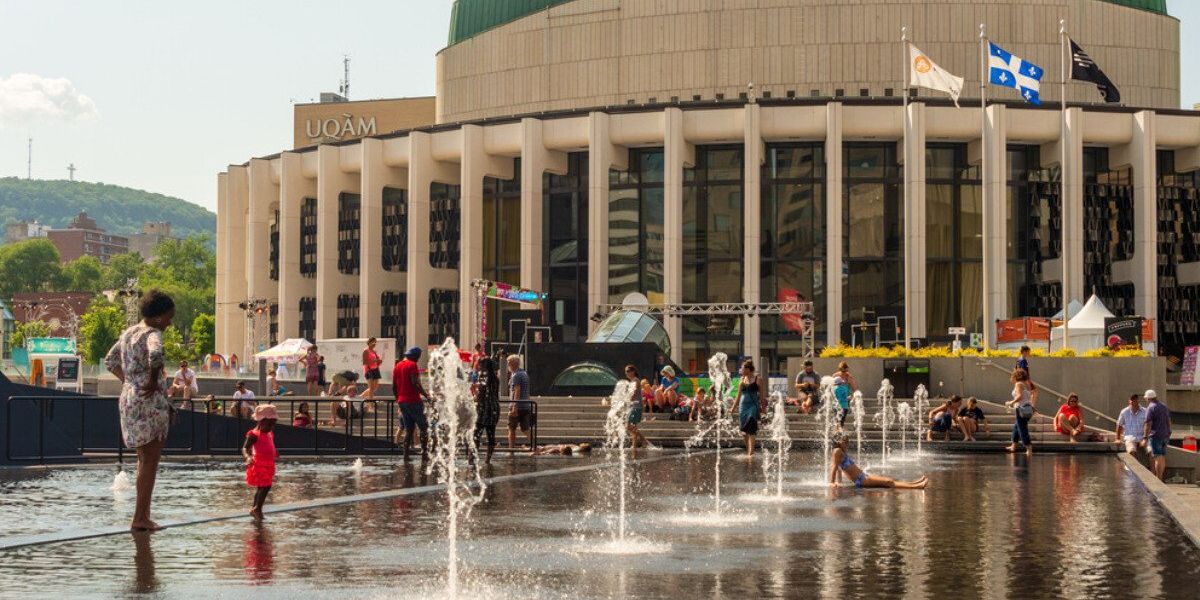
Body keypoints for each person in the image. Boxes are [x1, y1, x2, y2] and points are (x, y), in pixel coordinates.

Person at [103, 289, 177, 531]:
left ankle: (142, 515)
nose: (170, 321)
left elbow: (110, 361)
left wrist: (129, 381)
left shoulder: (128, 333)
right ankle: (140, 518)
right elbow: (156, 356)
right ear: (157, 316)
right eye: (168, 316)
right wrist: (153, 381)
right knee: (150, 461)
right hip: (149, 401)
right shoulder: (152, 333)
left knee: (142, 460)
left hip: (130, 399)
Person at [830, 432, 927, 489]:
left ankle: (914, 483)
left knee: (890, 479)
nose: (847, 444)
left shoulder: (840, 451)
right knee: (888, 482)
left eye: (848, 442)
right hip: (861, 480)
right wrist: (832, 483)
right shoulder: (837, 451)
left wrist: (840, 482)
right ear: (838, 442)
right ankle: (917, 486)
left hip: (863, 476)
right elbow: (834, 467)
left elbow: (839, 468)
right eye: (845, 442)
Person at [393, 347, 431, 461]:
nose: (418, 360)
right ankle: (425, 454)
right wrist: (426, 395)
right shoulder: (412, 365)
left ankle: (406, 455)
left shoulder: (398, 365)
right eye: (418, 357)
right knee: (424, 427)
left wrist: (398, 399)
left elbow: (394, 387)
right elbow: (415, 383)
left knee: (409, 429)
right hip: (413, 400)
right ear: (415, 356)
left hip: (402, 401)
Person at [242, 404, 279, 520]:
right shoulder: (254, 434)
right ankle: (257, 508)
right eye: (270, 424)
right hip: (259, 463)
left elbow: (270, 445)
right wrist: (248, 457)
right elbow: (244, 448)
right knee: (266, 486)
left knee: (261, 487)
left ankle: (255, 508)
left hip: (268, 463)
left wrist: (274, 452)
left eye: (273, 424)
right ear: (262, 421)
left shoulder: (269, 433)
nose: (271, 427)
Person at [731, 359, 762, 456]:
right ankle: (748, 450)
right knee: (744, 431)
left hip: (753, 405)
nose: (741, 370)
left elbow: (762, 395)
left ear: (748, 369)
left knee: (751, 428)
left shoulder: (758, 379)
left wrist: (762, 407)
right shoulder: (742, 380)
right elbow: (738, 396)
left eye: (742, 368)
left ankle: (751, 452)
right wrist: (733, 408)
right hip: (743, 406)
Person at [473, 354, 501, 463]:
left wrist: (475, 396)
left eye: (480, 365)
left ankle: (473, 459)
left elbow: (480, 394)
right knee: (491, 434)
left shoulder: (483, 377)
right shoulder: (495, 378)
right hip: (494, 408)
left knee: (477, 434)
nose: (479, 367)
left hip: (483, 408)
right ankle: (487, 460)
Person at [1004, 367, 1039, 455]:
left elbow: (1019, 396)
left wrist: (1010, 402)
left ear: (1015, 376)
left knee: (1022, 428)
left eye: (1012, 376)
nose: (1011, 378)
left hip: (1021, 409)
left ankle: (1029, 448)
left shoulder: (1018, 384)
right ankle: (1013, 445)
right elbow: (1031, 394)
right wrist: (1032, 406)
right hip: (1027, 408)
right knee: (1017, 427)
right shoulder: (1027, 383)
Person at [506, 355, 535, 451]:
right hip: (525, 405)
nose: (507, 365)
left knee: (511, 428)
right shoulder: (524, 373)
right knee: (525, 428)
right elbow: (526, 391)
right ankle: (534, 445)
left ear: (514, 364)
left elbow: (517, 390)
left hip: (517, 405)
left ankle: (511, 449)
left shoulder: (516, 375)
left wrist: (514, 407)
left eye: (508, 363)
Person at [622, 365, 650, 457]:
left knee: (629, 426)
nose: (626, 373)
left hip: (636, 406)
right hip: (633, 406)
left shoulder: (636, 381)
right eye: (626, 371)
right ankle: (636, 444)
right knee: (632, 426)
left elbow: (633, 394)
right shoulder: (632, 381)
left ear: (633, 371)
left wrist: (627, 401)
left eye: (628, 371)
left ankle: (641, 442)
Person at [1143, 389, 1171, 480]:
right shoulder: (1164, 406)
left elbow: (1148, 424)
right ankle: (1161, 477)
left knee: (1157, 457)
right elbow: (1169, 420)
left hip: (1156, 436)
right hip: (1165, 435)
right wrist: (1169, 432)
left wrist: (1145, 437)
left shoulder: (1151, 408)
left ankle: (1158, 479)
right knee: (1162, 457)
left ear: (1148, 398)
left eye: (1146, 399)